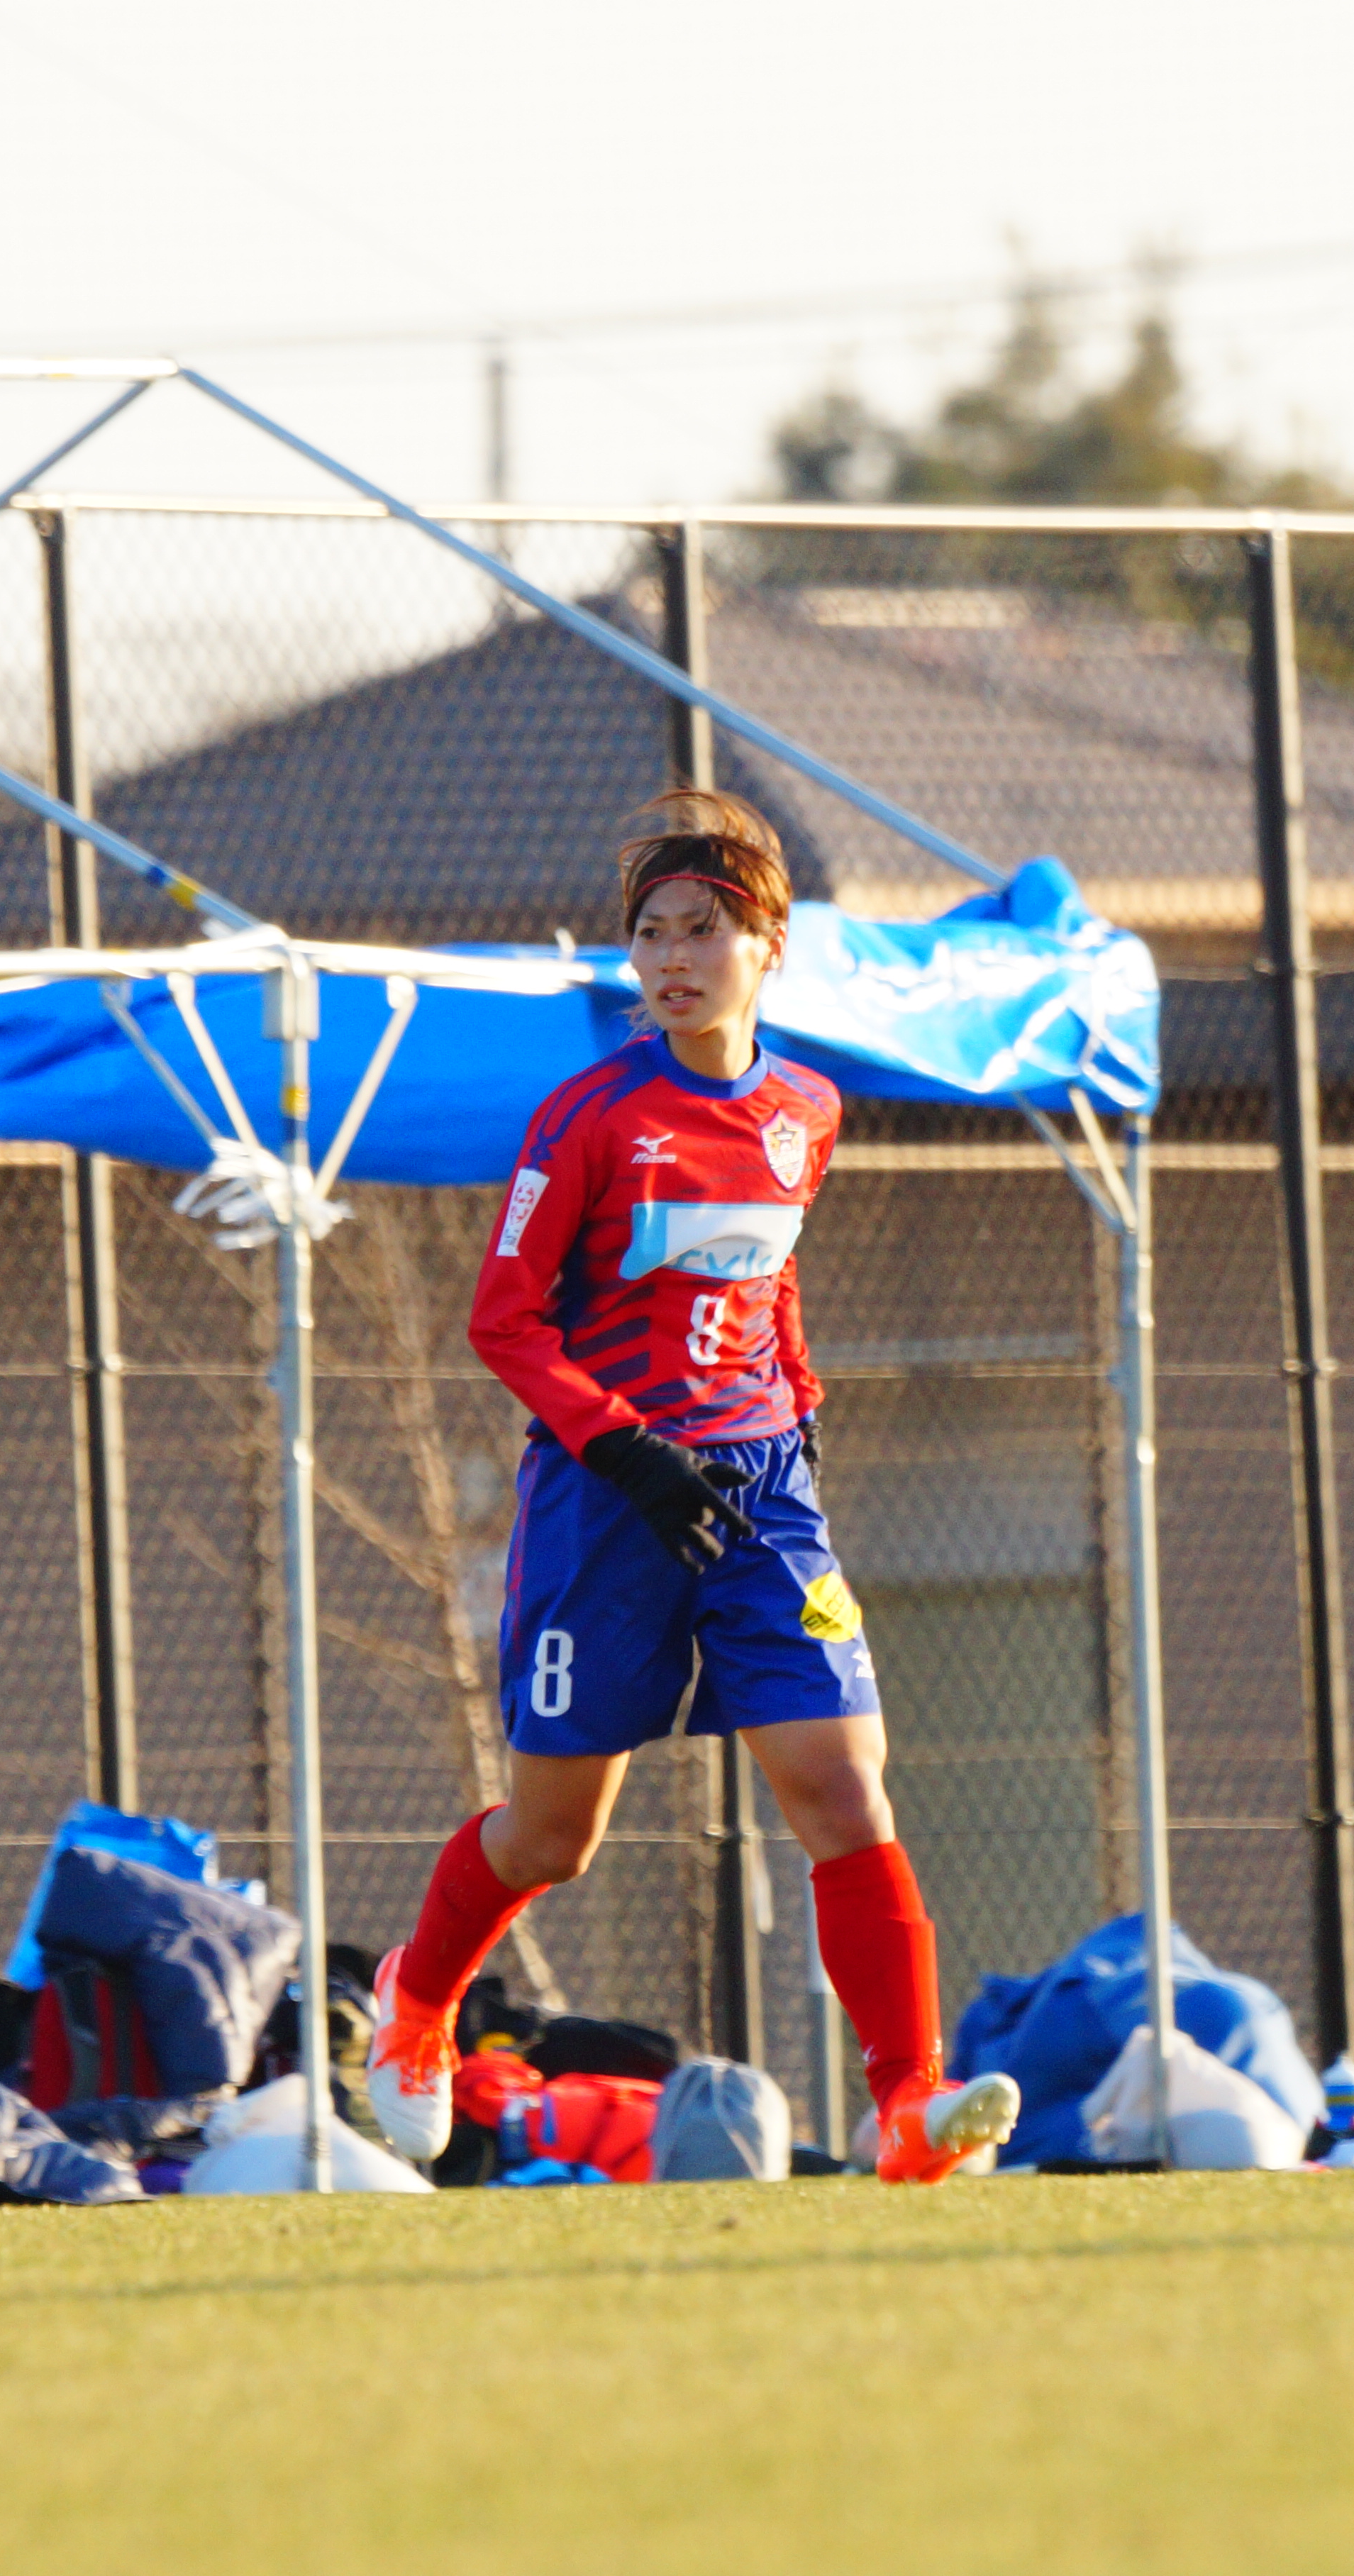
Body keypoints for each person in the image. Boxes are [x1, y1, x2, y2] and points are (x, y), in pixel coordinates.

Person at [362, 789, 1020, 2183]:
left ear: (766, 945)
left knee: (845, 1786)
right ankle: (416, 2004)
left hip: (764, 1488)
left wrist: (802, 1425)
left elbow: (767, 1288)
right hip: (607, 1498)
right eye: (649, 933)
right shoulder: (586, 1115)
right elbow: (503, 1320)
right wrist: (628, 1448)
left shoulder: (808, 1107)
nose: (671, 957)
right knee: (555, 1834)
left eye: (702, 929)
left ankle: (907, 2106)